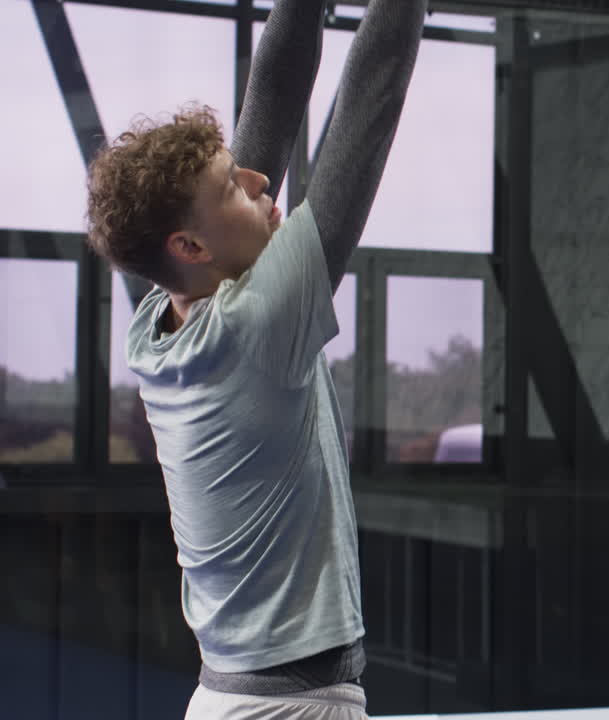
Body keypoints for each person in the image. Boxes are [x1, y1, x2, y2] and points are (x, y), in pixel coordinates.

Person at [84, 0, 430, 716]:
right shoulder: (254, 325)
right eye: (232, 188)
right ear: (190, 246)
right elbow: (371, 97)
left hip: (234, 696)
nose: (259, 181)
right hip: (290, 708)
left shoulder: (161, 322)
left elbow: (274, 89)